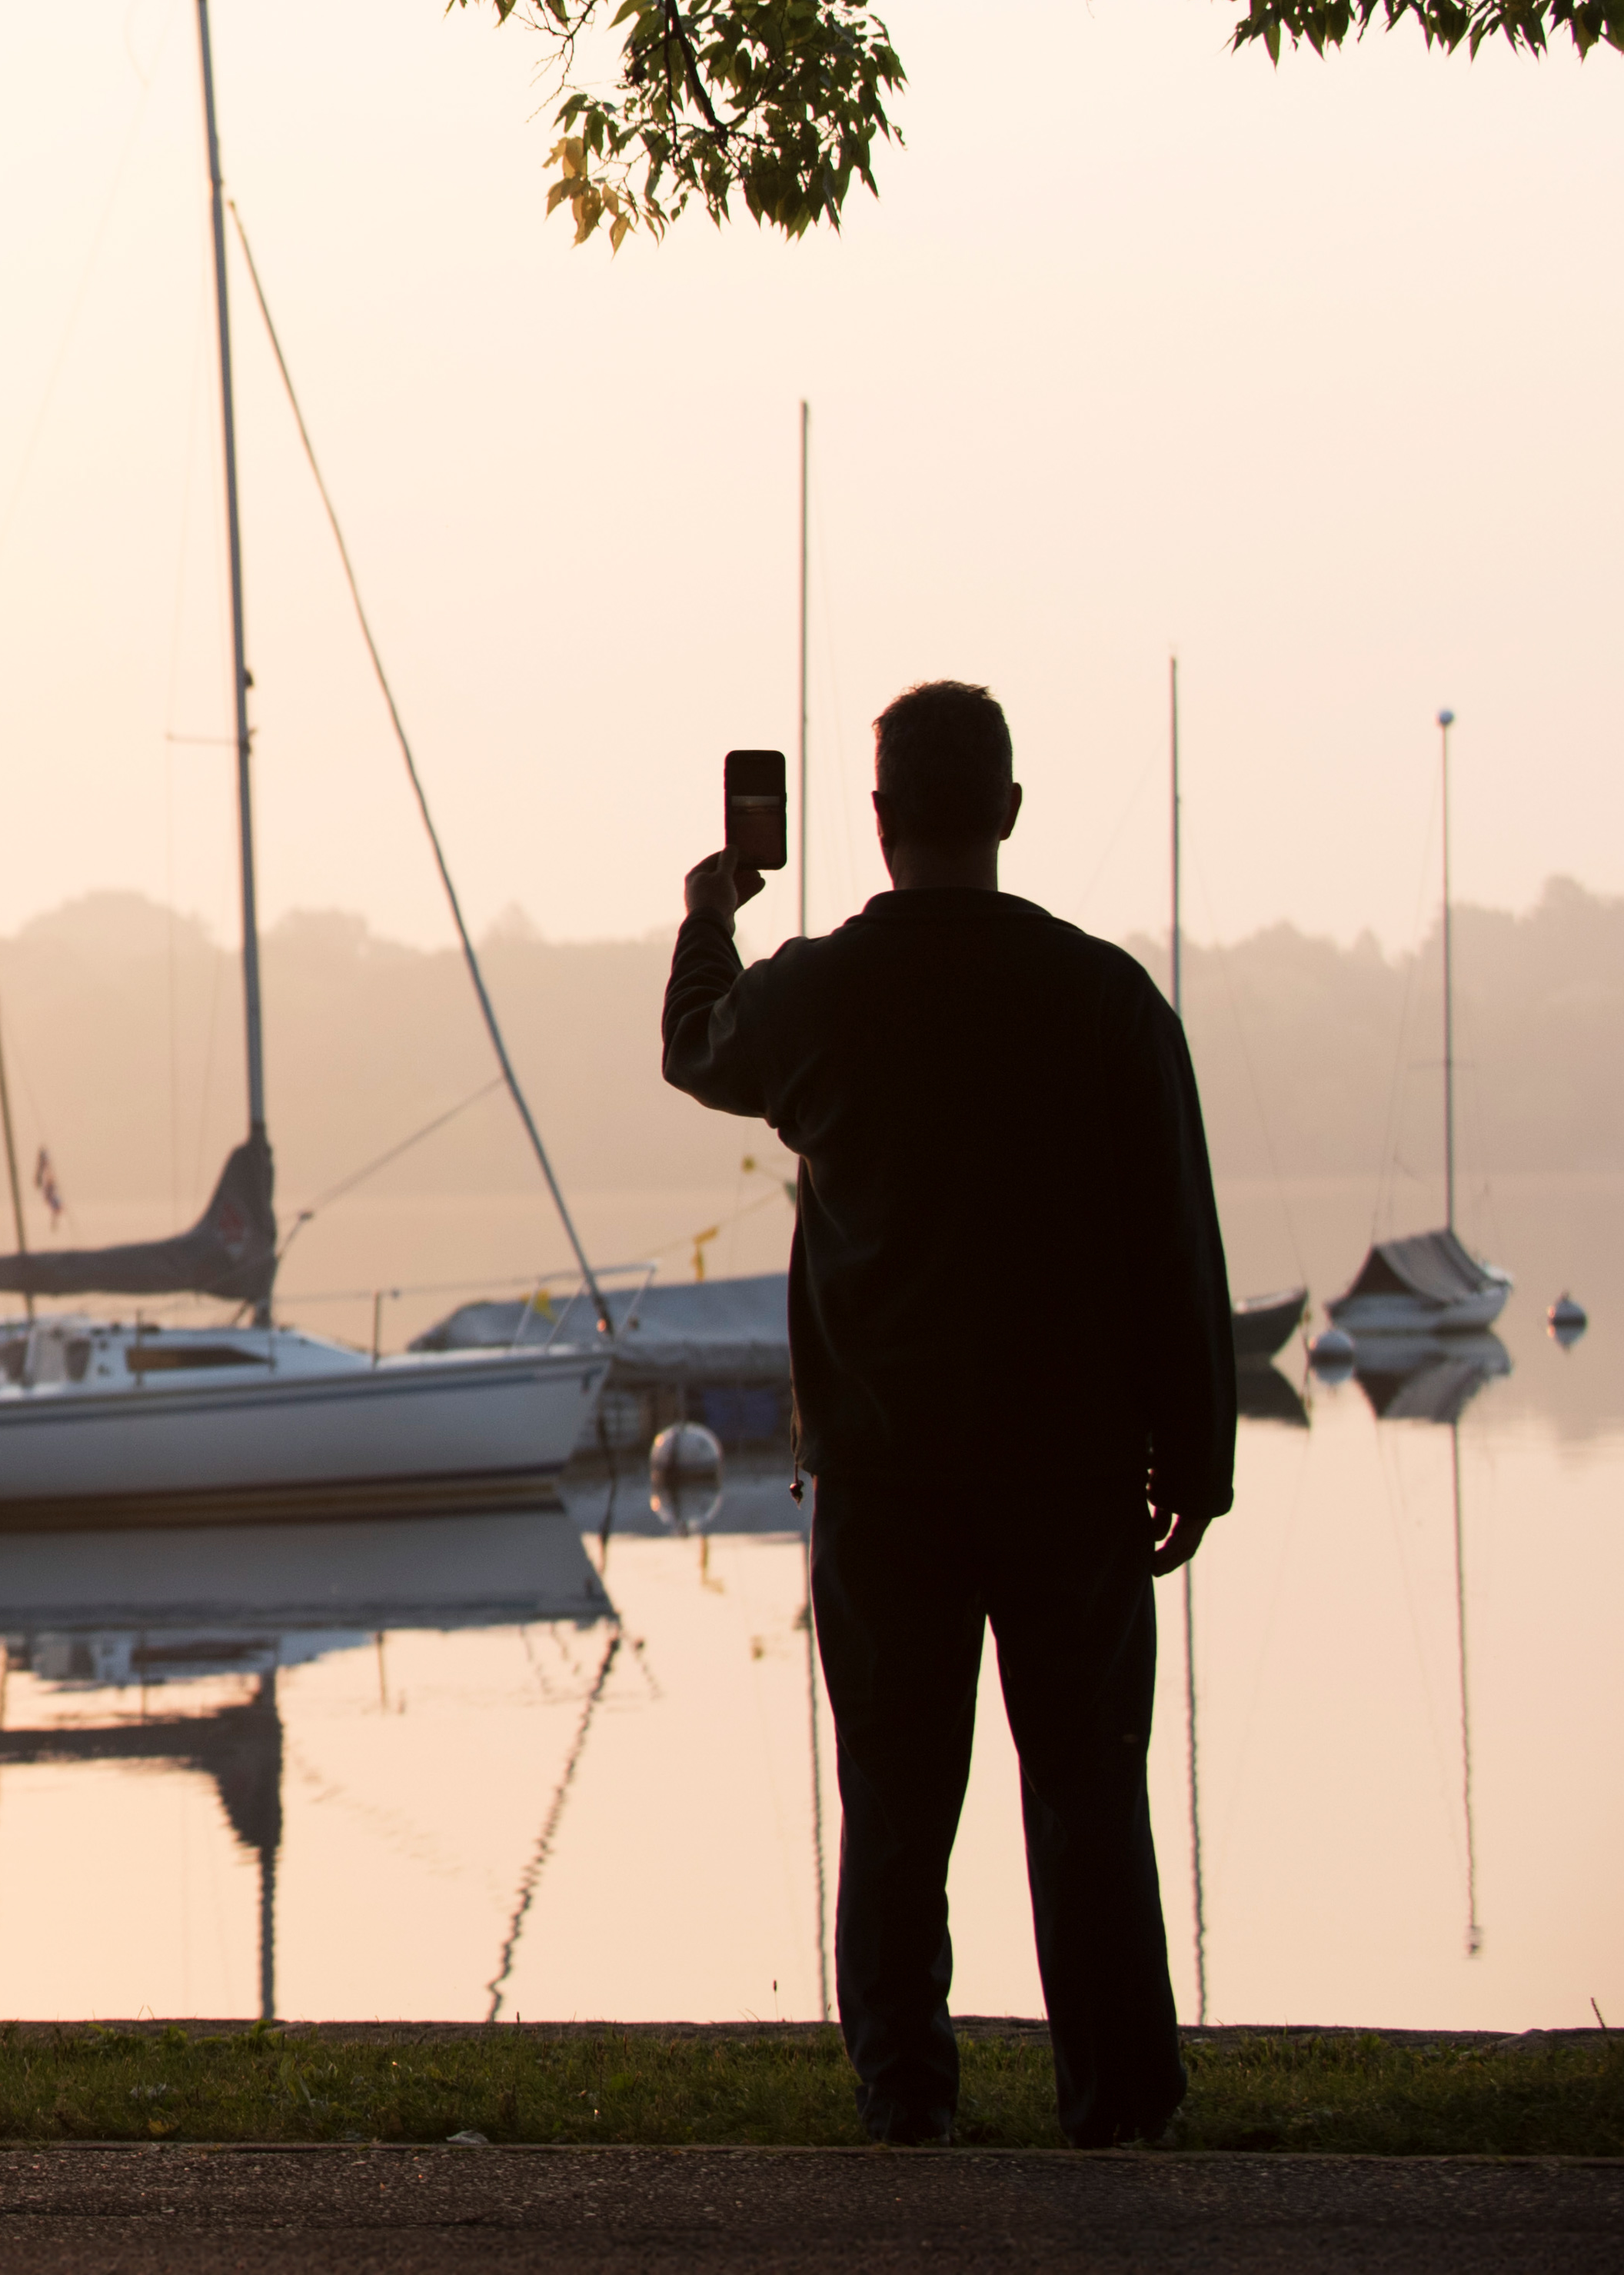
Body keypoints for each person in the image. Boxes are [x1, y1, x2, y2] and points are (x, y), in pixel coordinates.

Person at [662, 679, 1234, 2147]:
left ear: (877, 821)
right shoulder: (1105, 997)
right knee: (1090, 1797)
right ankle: (1119, 2096)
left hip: (884, 1479)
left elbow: (694, 1045)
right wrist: (1201, 1457)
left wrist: (710, 912)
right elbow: (1177, 1241)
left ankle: (907, 2098)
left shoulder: (818, 993)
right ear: (1010, 813)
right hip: (1075, 1480)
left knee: (898, 1806)